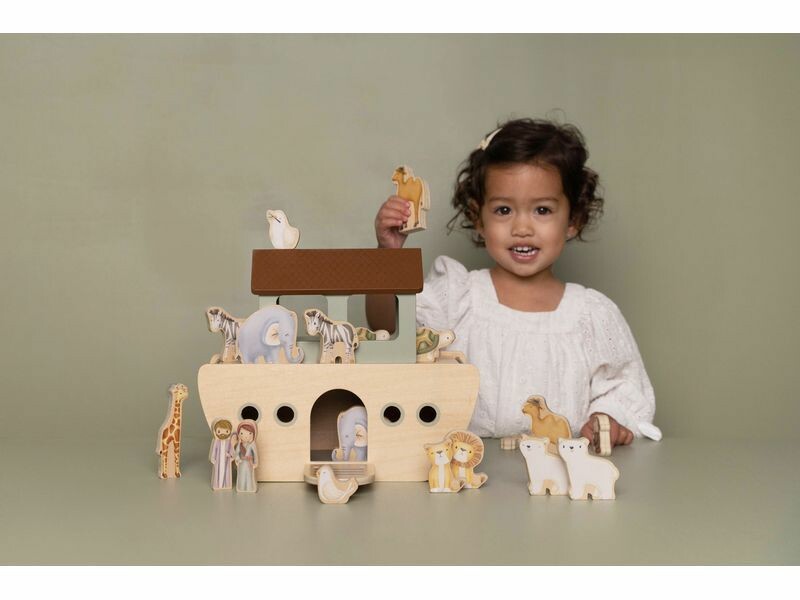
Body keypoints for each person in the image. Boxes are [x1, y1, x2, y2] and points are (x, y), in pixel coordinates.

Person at [369, 118, 660, 447]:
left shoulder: (591, 315)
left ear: (573, 219)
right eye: (504, 210)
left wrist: (606, 420)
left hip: (560, 468)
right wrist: (387, 255)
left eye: (542, 210)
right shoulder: (458, 296)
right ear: (479, 217)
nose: (522, 228)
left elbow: (623, 388)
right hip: (468, 465)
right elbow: (386, 328)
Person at [234, 420, 259, 492]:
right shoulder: (240, 445)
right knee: (241, 476)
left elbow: (255, 455)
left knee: (249, 476)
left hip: (249, 464)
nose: (245, 436)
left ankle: (249, 488)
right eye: (242, 433)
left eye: (249, 433)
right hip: (242, 463)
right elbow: (237, 453)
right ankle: (241, 488)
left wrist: (255, 463)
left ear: (253, 434)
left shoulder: (252, 444)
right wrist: (238, 460)